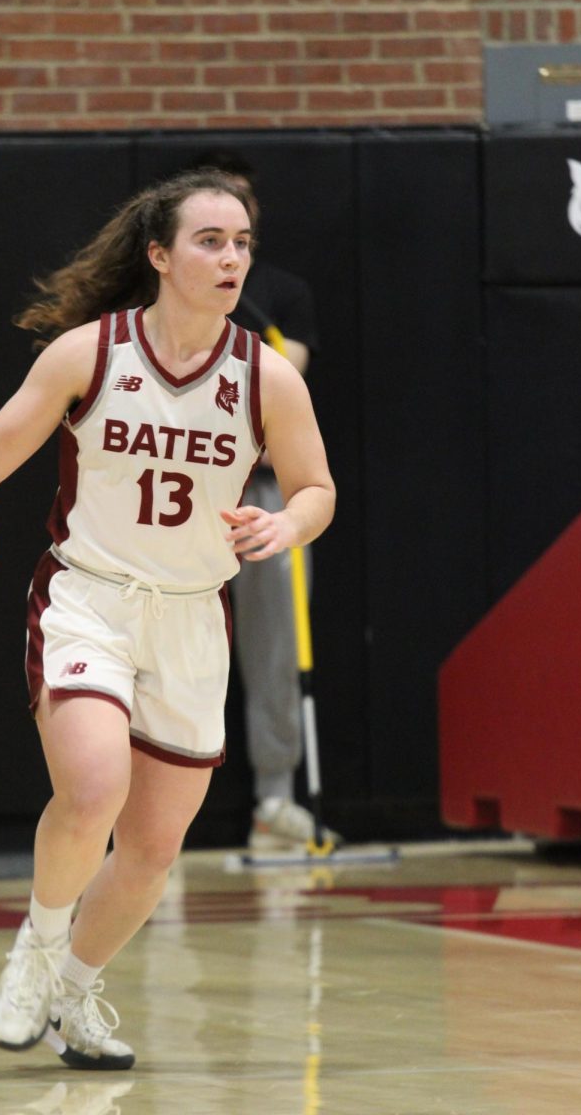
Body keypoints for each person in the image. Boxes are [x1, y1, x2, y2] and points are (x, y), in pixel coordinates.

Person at [0, 169, 335, 1070]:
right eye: (209, 241)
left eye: (242, 244)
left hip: (193, 618)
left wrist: (288, 521)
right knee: (91, 787)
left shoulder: (266, 376)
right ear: (159, 255)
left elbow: (317, 489)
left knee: (152, 850)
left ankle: (75, 995)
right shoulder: (89, 352)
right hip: (90, 597)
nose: (231, 258)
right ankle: (35, 951)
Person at [191, 148, 342, 851]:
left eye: (240, 210)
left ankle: (275, 801)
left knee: (276, 645)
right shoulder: (160, 306)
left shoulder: (282, 293)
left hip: (261, 495)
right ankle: (153, 805)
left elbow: (281, 387)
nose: (229, 222)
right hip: (184, 496)